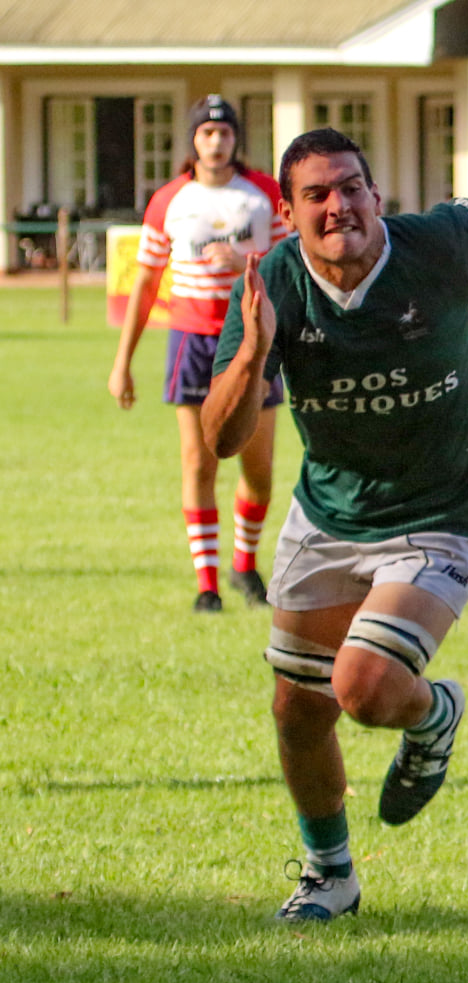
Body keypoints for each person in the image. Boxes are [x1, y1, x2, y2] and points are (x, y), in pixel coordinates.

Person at [202, 128, 468, 922]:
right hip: (332, 510)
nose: (340, 207)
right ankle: (329, 875)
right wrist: (250, 357)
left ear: (376, 194)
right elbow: (221, 439)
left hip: (442, 509)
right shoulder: (272, 287)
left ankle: (433, 714)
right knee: (298, 709)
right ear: (287, 212)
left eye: (352, 187)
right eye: (318, 195)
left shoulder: (440, 241)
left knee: (363, 687)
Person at [108, 95, 288, 612]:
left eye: (225, 132)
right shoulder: (169, 200)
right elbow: (145, 284)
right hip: (191, 339)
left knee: (258, 469)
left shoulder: (262, 195)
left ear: (236, 139)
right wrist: (122, 362)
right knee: (199, 462)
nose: (216, 141)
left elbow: (288, 261)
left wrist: (245, 261)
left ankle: (243, 565)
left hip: (251, 337)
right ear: (193, 140)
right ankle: (206, 584)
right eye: (206, 133)